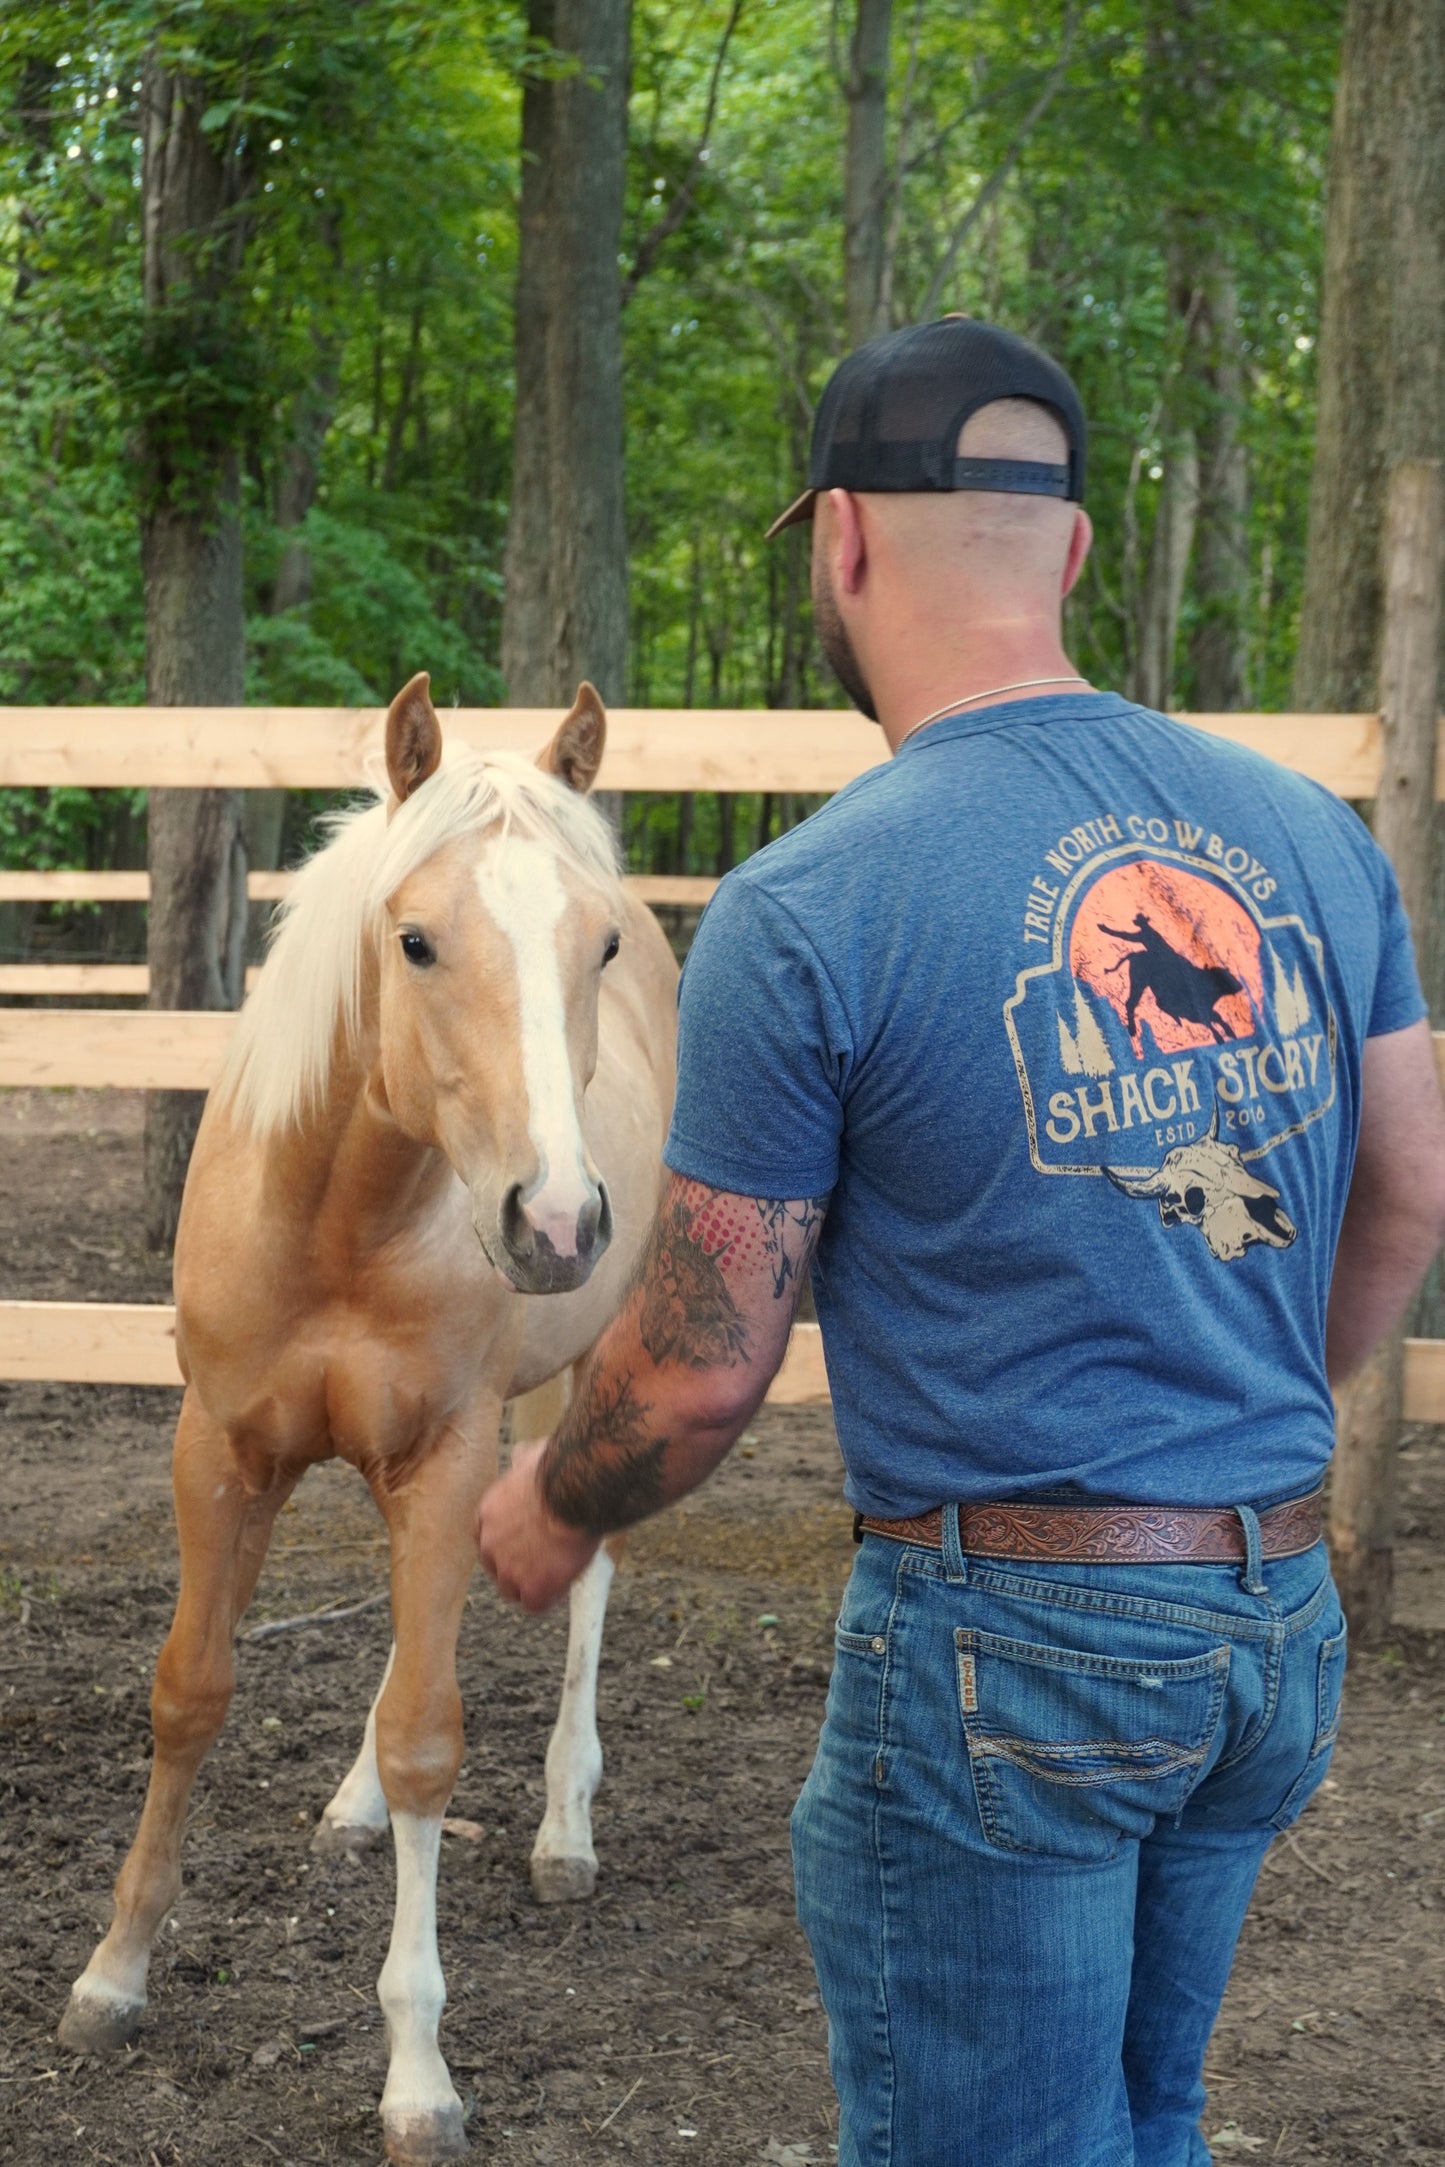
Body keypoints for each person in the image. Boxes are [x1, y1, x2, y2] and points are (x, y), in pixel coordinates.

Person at [476, 317, 1445, 2167]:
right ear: (1071, 550)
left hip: (1016, 1650)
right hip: (1270, 1621)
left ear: (839, 540)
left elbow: (693, 1375)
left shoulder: (812, 902)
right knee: (1149, 2123)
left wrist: (551, 1500)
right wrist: (1250, 1396)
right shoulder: (1311, 839)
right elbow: (1407, 1182)